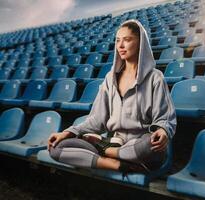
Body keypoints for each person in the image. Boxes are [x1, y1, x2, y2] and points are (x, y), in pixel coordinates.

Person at [47, 19, 177, 173]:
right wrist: (67, 133)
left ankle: (107, 151)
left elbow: (164, 118)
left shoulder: (155, 77)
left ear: (140, 43)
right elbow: (96, 120)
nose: (121, 46)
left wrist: (162, 131)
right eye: (118, 41)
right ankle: (118, 164)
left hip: (141, 145)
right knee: (57, 148)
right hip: (116, 141)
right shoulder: (110, 78)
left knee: (150, 144)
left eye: (127, 40)